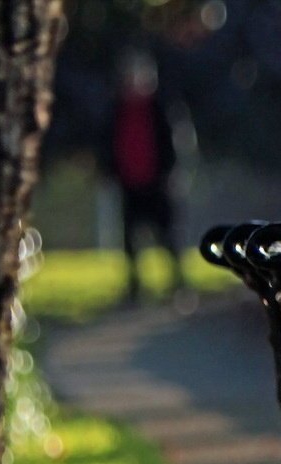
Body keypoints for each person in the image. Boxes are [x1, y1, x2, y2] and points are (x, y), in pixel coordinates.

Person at [101, 51, 189, 304]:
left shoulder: (160, 107)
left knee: (167, 235)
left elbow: (172, 144)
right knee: (130, 239)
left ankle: (177, 283)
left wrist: (170, 173)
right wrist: (110, 172)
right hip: (129, 183)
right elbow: (109, 144)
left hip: (156, 182)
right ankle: (134, 287)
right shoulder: (117, 109)